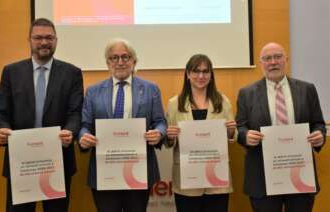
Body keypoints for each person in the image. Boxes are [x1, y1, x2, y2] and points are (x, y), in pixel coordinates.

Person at [0, 18, 84, 212]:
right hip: (21, 162)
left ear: (56, 40)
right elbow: (0, 110)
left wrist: (70, 131)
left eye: (49, 37)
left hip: (58, 161)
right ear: (29, 40)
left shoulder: (72, 73)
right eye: (38, 37)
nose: (44, 42)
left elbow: (75, 113)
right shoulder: (11, 72)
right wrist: (1, 127)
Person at [235, 42, 326, 212]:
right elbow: (240, 127)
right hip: (262, 178)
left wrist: (319, 135)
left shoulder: (307, 89)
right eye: (267, 58)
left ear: (286, 60)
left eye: (278, 57)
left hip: (300, 175)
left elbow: (319, 124)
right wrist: (245, 136)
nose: (273, 62)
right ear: (261, 63)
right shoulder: (246, 93)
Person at [79, 38, 166, 212]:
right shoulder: (93, 91)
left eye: (125, 57)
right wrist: (83, 137)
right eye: (114, 58)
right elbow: (85, 125)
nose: (120, 62)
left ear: (134, 61)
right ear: (107, 63)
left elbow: (160, 122)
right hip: (105, 169)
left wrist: (158, 133)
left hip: (138, 168)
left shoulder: (151, 89)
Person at [165, 54, 237, 212]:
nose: (201, 76)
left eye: (206, 71)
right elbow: (168, 142)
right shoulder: (174, 103)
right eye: (196, 71)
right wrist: (170, 137)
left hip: (217, 177)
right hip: (186, 177)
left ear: (211, 75)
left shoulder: (223, 101)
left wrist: (231, 132)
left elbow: (232, 136)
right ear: (188, 74)